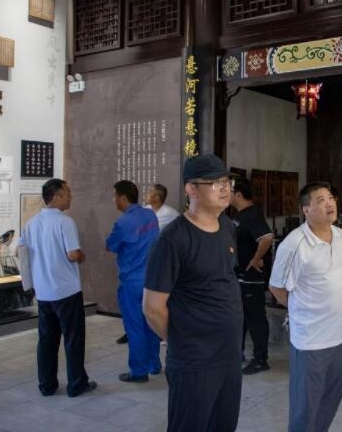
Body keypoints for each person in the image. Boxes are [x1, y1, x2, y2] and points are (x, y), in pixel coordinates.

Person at [143, 154, 243, 432]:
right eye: (215, 183)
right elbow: (152, 308)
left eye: (227, 182)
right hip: (194, 360)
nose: (225, 188)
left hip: (229, 354)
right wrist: (181, 340)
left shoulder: (226, 227)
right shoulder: (173, 239)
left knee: (223, 424)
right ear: (191, 189)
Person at [269, 181, 342, 432]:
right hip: (310, 341)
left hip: (340, 336)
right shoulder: (294, 244)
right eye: (320, 200)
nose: (329, 204)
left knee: (330, 400)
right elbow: (276, 287)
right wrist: (300, 309)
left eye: (331, 198)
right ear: (306, 209)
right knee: (305, 409)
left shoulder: (340, 235)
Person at [17, 179, 96, 397]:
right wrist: (81, 255)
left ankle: (47, 385)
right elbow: (72, 254)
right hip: (66, 290)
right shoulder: (65, 222)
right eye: (67, 193)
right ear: (57, 195)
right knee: (73, 338)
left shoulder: (31, 223)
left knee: (47, 340)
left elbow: (21, 251)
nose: (71, 197)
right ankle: (76, 384)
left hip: (43, 291)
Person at [106, 180, 161, 382]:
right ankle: (154, 364)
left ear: (122, 198)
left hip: (131, 282)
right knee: (151, 325)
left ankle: (138, 371)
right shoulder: (150, 215)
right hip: (152, 281)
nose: (113, 201)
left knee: (134, 327)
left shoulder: (122, 223)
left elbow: (110, 246)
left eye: (114, 196)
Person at [230, 177, 274, 375]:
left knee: (255, 318)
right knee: (241, 317)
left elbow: (267, 237)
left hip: (251, 277)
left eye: (229, 191)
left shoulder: (252, 214)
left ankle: (260, 359)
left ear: (238, 195)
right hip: (240, 276)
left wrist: (256, 258)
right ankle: (237, 352)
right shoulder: (240, 214)